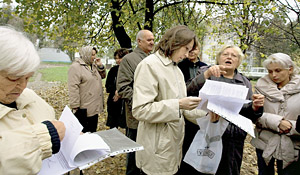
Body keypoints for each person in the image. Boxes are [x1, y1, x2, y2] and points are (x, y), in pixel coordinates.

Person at [132, 25, 207, 175]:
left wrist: (207, 116)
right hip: (156, 149)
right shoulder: (149, 65)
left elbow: (183, 110)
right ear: (175, 43)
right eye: (186, 49)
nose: (187, 54)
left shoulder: (176, 69)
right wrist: (178, 104)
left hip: (173, 147)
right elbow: (140, 110)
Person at [187, 45, 265, 175]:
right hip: (207, 134)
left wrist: (255, 107)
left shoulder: (244, 82)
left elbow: (248, 113)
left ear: (238, 61)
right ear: (218, 58)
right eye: (225, 54)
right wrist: (206, 75)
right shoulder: (207, 73)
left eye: (234, 55)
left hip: (232, 140)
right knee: (203, 170)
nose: (229, 57)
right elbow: (189, 91)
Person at [0, 26, 66, 174]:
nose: (22, 86)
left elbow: (54, 123)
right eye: (14, 78)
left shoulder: (30, 97)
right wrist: (46, 136)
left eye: (28, 77)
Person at [251, 53, 300, 175]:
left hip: (293, 145)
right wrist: (277, 123)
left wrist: (290, 126)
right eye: (270, 71)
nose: (274, 75)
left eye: (278, 70)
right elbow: (255, 115)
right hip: (265, 142)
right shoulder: (261, 87)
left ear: (290, 69)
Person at [116, 29, 154, 175]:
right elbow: (123, 87)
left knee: (147, 154)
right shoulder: (129, 60)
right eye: (148, 40)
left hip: (152, 114)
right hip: (136, 116)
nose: (152, 42)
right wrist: (139, 103)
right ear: (139, 41)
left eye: (153, 39)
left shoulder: (153, 59)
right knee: (134, 154)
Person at [177, 41, 207, 174]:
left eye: (195, 49)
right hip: (185, 106)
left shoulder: (205, 67)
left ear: (199, 51)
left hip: (201, 108)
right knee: (186, 141)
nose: (192, 52)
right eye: (190, 49)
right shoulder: (180, 66)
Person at [68, 46, 106, 133]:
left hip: (94, 106)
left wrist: (100, 66)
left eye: (95, 55)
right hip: (83, 108)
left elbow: (102, 76)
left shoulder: (93, 66)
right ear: (85, 54)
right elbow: (73, 87)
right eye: (92, 55)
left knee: (92, 131)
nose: (94, 57)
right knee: (83, 133)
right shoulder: (76, 67)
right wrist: (75, 106)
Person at [105, 48, 129, 129]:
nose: (117, 60)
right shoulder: (113, 70)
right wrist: (115, 91)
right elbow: (108, 86)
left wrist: (120, 92)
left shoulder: (130, 70)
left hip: (125, 103)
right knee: (113, 126)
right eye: (116, 58)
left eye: (120, 58)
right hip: (114, 103)